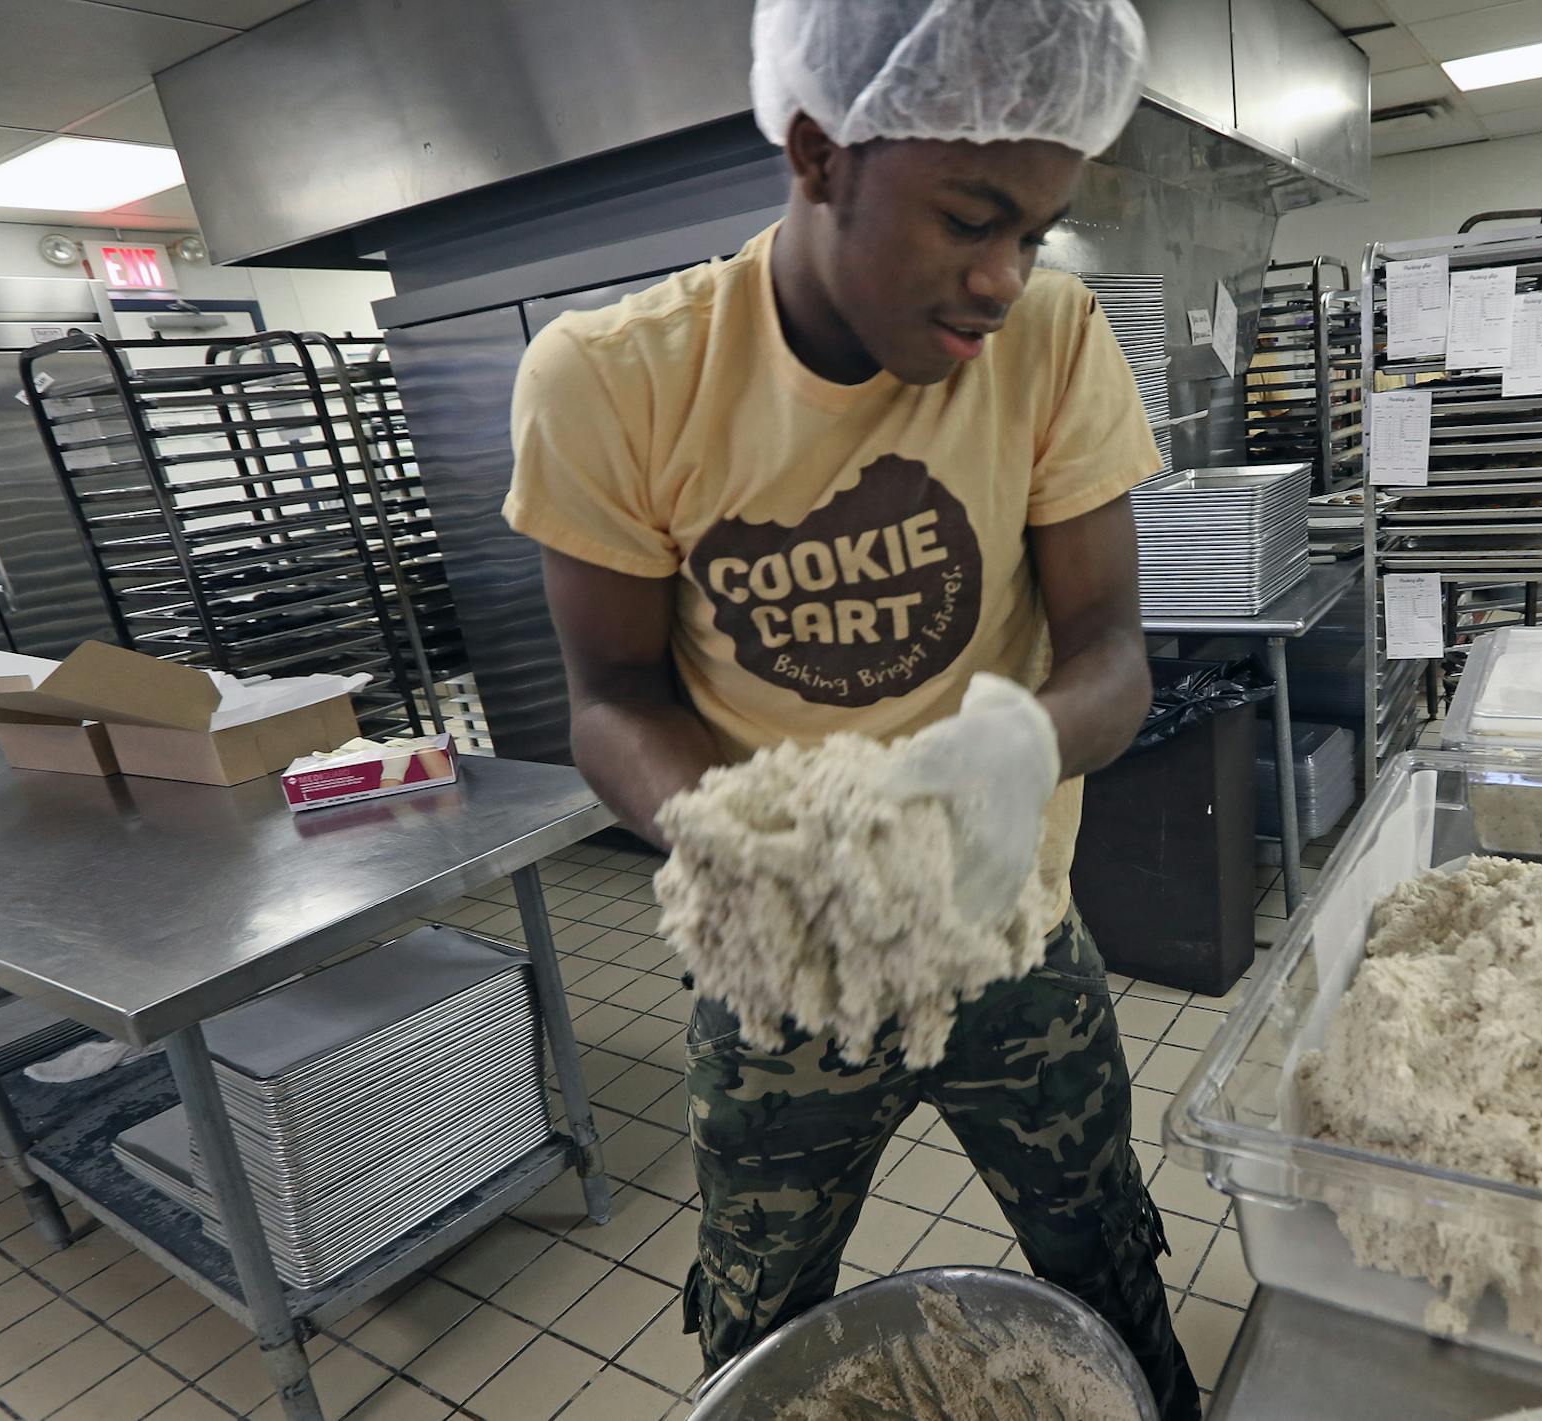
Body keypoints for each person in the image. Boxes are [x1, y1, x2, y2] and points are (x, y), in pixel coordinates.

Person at [501, 1, 1200, 1414]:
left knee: (1103, 1263)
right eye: (969, 218)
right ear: (821, 154)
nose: (1004, 278)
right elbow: (613, 693)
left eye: (1038, 233)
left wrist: (1025, 745)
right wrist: (752, 838)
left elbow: (1114, 652)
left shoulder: (1054, 343)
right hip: (780, 958)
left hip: (1009, 926)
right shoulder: (618, 382)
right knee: (761, 1308)